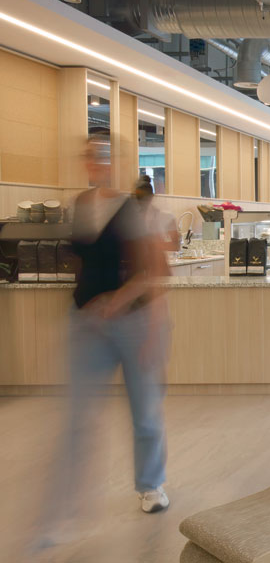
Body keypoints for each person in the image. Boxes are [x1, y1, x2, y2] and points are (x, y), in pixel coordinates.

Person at [45, 137, 173, 531]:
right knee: (78, 414)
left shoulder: (133, 209)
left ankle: (150, 484)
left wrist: (139, 317)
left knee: (145, 412)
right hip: (87, 321)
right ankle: (67, 500)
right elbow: (83, 264)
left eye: (103, 156)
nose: (96, 163)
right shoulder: (80, 206)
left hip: (134, 321)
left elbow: (156, 270)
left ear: (116, 162)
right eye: (90, 156)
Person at [134, 174, 180, 253]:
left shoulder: (165, 217)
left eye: (144, 197)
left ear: (151, 196)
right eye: (139, 198)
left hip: (155, 258)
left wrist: (152, 245)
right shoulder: (132, 218)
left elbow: (176, 245)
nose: (141, 201)